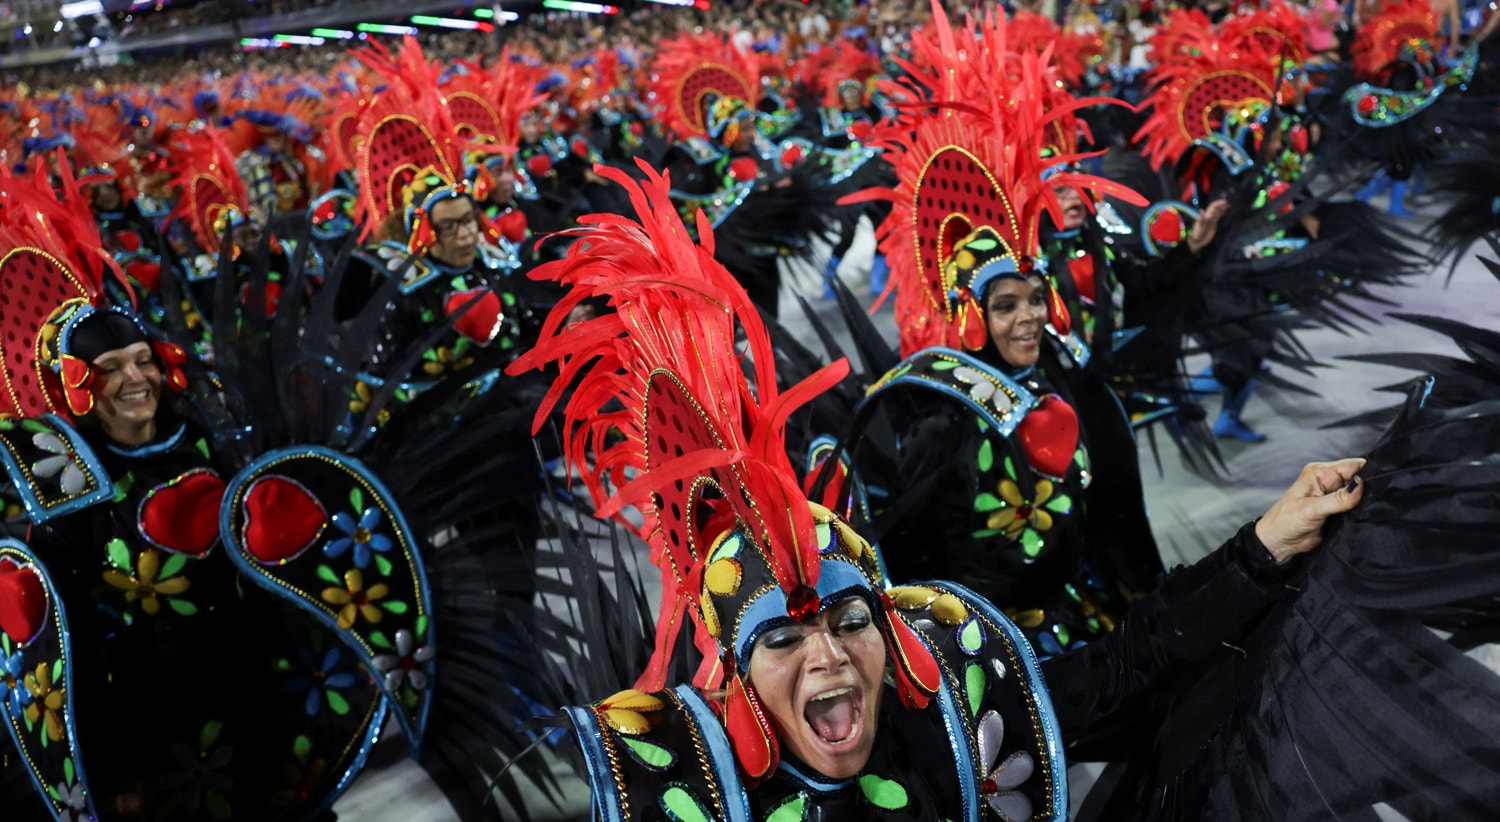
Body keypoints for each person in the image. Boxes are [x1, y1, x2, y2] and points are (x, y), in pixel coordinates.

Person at [508, 160, 1366, 820]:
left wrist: (1267, 543)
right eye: (783, 638)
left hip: (1030, 632)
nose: (829, 655)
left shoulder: (957, 708)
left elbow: (1130, 660)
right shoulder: (681, 789)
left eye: (850, 621)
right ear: (731, 666)